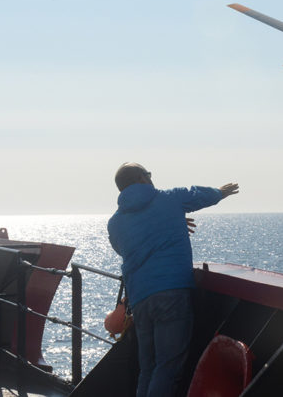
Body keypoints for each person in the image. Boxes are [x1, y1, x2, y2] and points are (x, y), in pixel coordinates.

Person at [107, 162, 239, 397]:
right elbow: (196, 195)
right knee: (167, 367)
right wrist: (221, 192)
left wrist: (171, 224)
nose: (151, 178)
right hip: (171, 294)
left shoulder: (115, 222)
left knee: (147, 368)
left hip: (140, 300)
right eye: (148, 174)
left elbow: (125, 248)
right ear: (141, 178)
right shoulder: (169, 199)